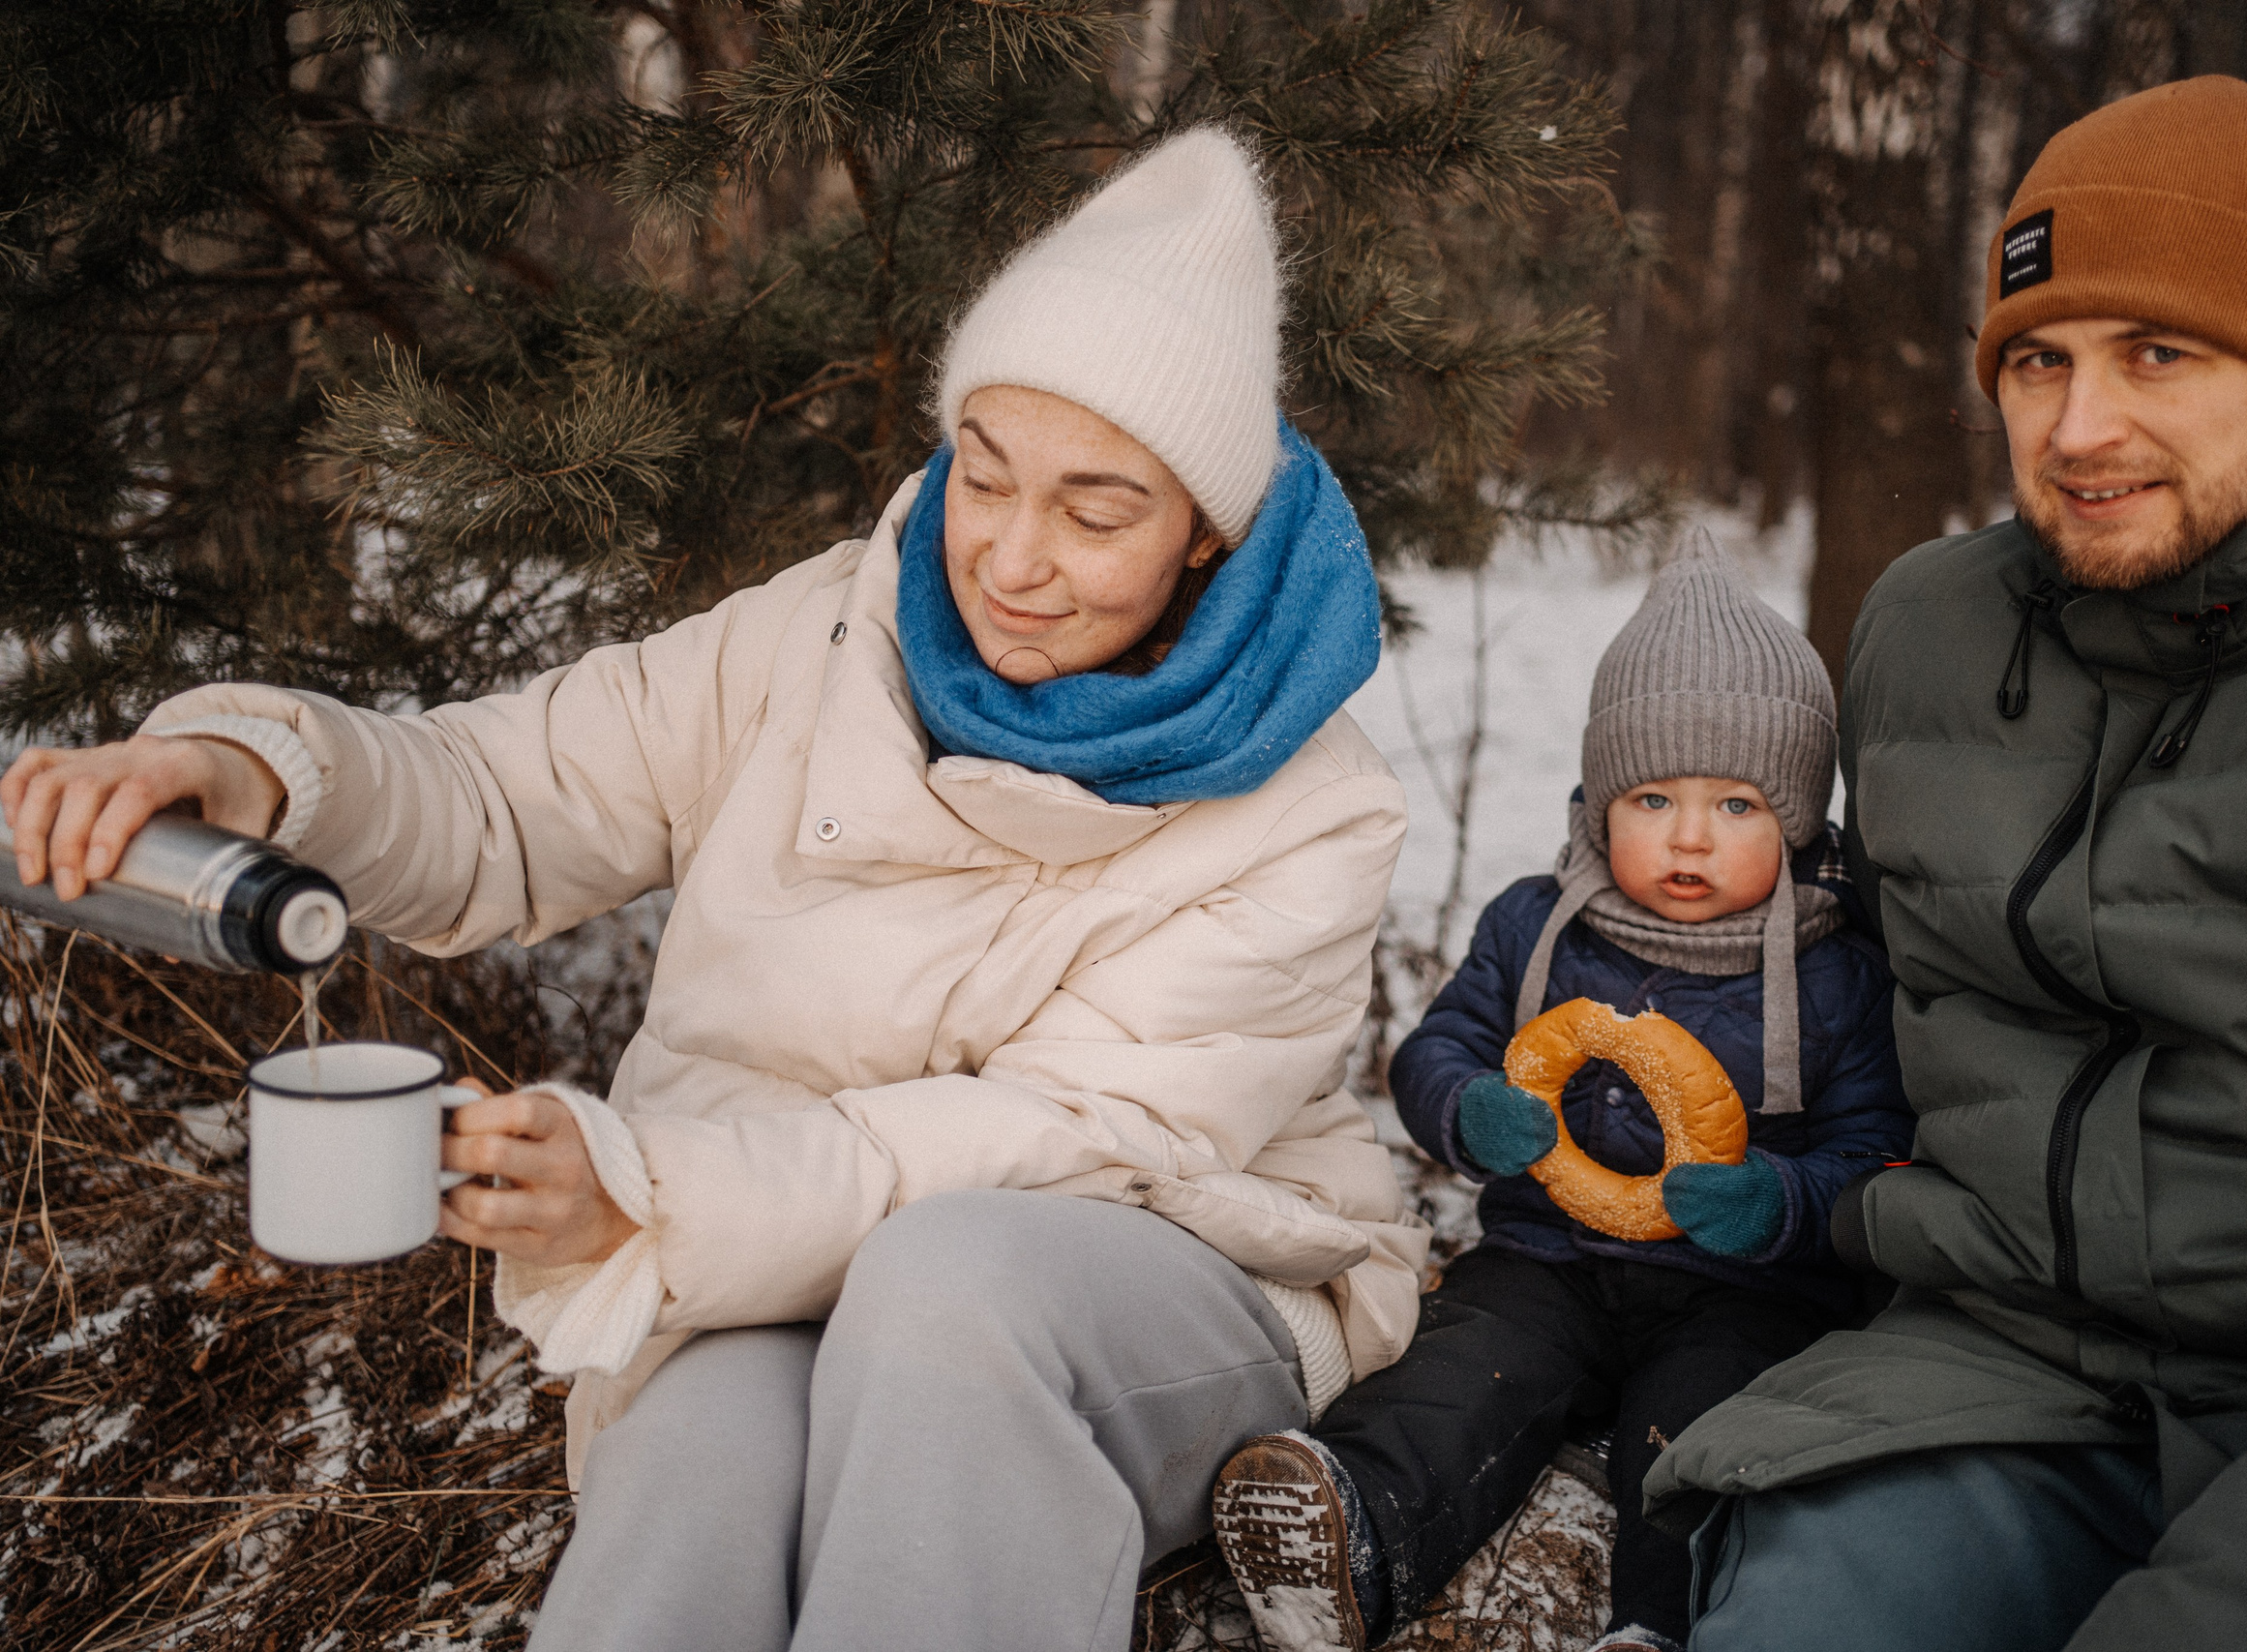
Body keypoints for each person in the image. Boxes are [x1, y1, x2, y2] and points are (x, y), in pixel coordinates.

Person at [1, 129, 1432, 1651]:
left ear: (1205, 529)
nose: (1011, 560)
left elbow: (1078, 1135)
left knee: (950, 1283)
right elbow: (507, 796)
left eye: (1093, 514)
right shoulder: (821, 635)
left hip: (1146, 1281)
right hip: (765, 1254)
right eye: (983, 475)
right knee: (700, 1460)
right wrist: (261, 769)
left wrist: (655, 1194)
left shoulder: (1308, 807)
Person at [1640, 75, 2247, 1651]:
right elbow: (1857, 1008)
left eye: (2159, 351)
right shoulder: (1933, 628)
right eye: (2039, 359)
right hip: (1991, 1373)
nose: (2078, 430)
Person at [1208, 543, 1911, 1652]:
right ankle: (1350, 1532)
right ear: (1598, 804)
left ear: (1796, 821)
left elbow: (1874, 1152)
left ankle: (1658, 1623)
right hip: (1547, 1255)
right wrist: (1468, 1109)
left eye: (1736, 803)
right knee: (1465, 1366)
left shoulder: (1834, 971)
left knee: (1701, 1424)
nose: (1689, 836)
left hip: (1741, 1289)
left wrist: (1778, 1200)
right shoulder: (1534, 926)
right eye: (1653, 798)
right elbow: (1440, 1047)